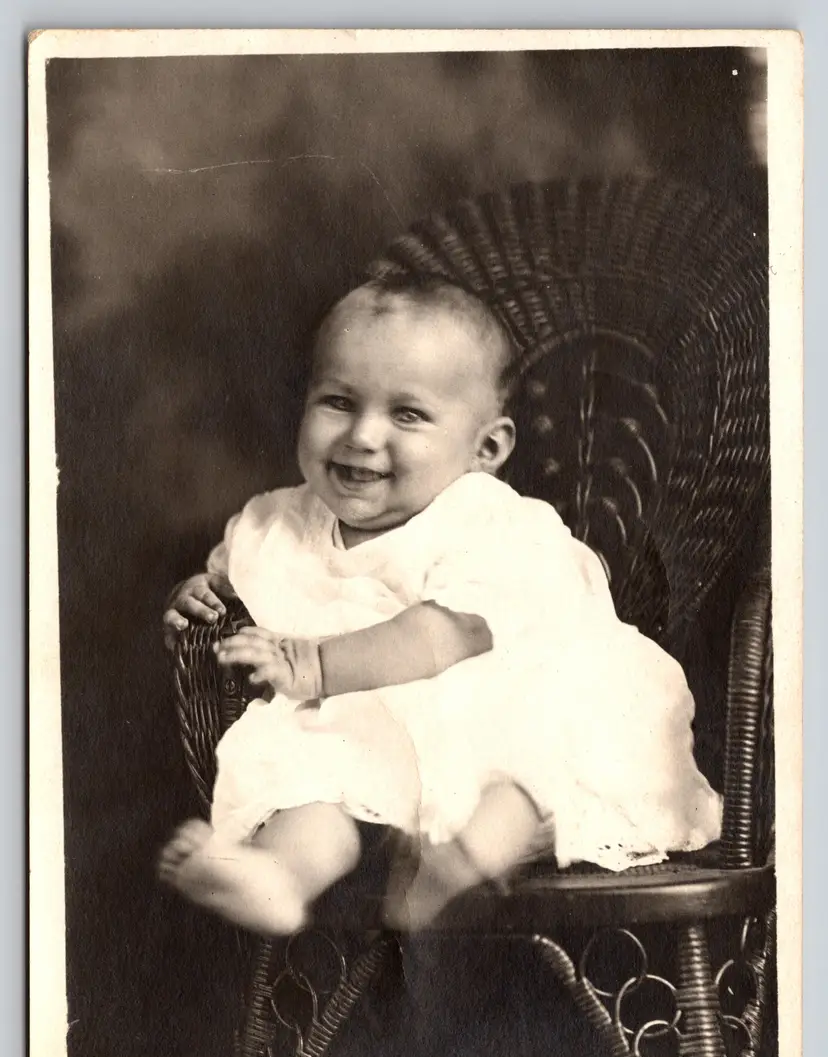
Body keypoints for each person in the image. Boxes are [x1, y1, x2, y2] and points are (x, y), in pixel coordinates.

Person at [158, 275, 722, 935]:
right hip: (370, 720)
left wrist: (311, 666)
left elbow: (441, 635)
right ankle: (279, 879)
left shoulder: (489, 523)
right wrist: (196, 594)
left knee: (526, 763)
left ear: (487, 448)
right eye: (339, 401)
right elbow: (244, 577)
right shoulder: (281, 521)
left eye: (407, 414)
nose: (362, 436)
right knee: (308, 772)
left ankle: (462, 864)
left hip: (505, 700)